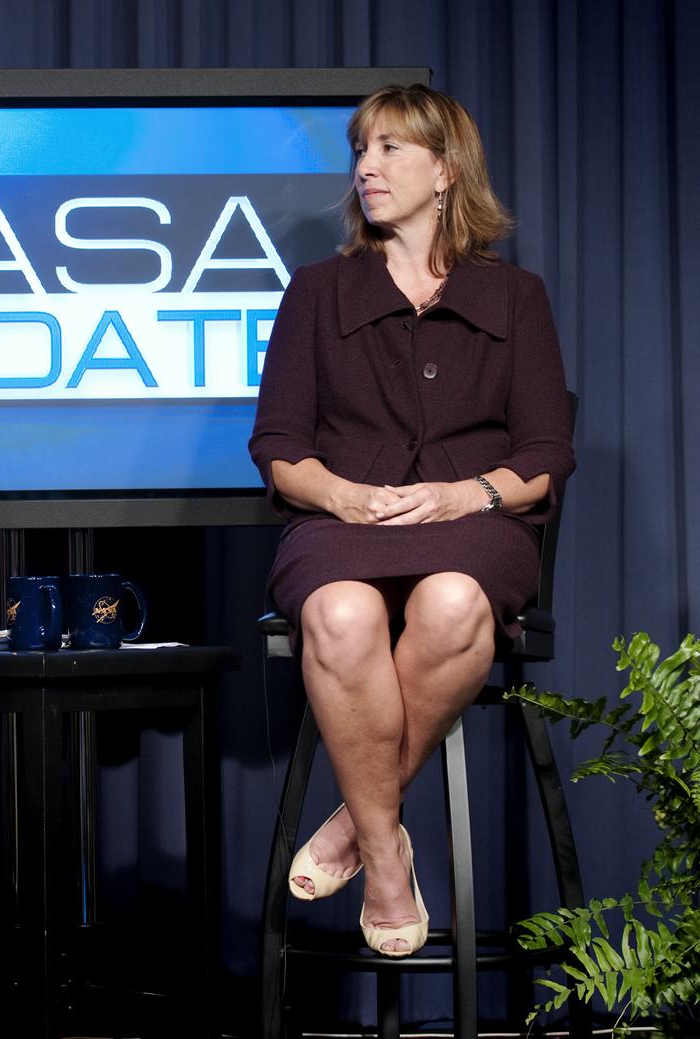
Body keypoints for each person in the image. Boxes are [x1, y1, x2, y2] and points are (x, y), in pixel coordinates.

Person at [248, 83, 574, 957]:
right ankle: (388, 851)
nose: (367, 165)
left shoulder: (515, 298)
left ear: (446, 171)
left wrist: (466, 493)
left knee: (454, 603)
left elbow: (546, 452)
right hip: (343, 523)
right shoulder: (318, 292)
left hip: (473, 526)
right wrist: (344, 495)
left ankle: (356, 826)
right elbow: (278, 445)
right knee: (342, 611)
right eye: (362, 149)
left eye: (392, 148)